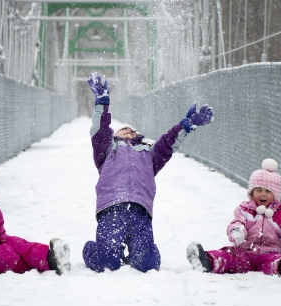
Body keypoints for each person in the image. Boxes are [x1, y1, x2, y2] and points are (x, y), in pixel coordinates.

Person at [82, 72, 214, 273]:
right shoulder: (106, 150)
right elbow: (100, 128)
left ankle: (144, 252)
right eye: (123, 130)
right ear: (114, 136)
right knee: (108, 263)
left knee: (147, 265)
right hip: (112, 208)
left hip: (140, 210)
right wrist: (102, 102)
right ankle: (92, 249)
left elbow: (167, 144)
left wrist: (185, 126)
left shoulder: (148, 154)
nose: (128, 132)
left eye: (132, 131)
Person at [186, 158, 281, 277]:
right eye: (259, 190)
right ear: (252, 193)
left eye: (268, 192)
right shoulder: (245, 209)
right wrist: (237, 231)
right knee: (228, 257)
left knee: (273, 263)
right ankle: (206, 261)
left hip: (270, 253)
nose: (263, 194)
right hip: (244, 252)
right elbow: (237, 222)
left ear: (275, 196)